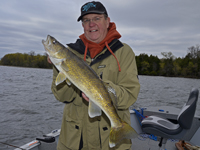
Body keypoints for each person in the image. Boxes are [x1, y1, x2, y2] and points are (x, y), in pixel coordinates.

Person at [50, 1, 140, 150]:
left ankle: (119, 129)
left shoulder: (124, 52)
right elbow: (62, 97)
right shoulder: (70, 53)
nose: (91, 24)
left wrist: (101, 90)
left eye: (97, 18)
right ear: (83, 25)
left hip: (110, 145)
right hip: (73, 142)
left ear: (107, 21)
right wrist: (59, 67)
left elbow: (130, 93)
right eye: (86, 20)